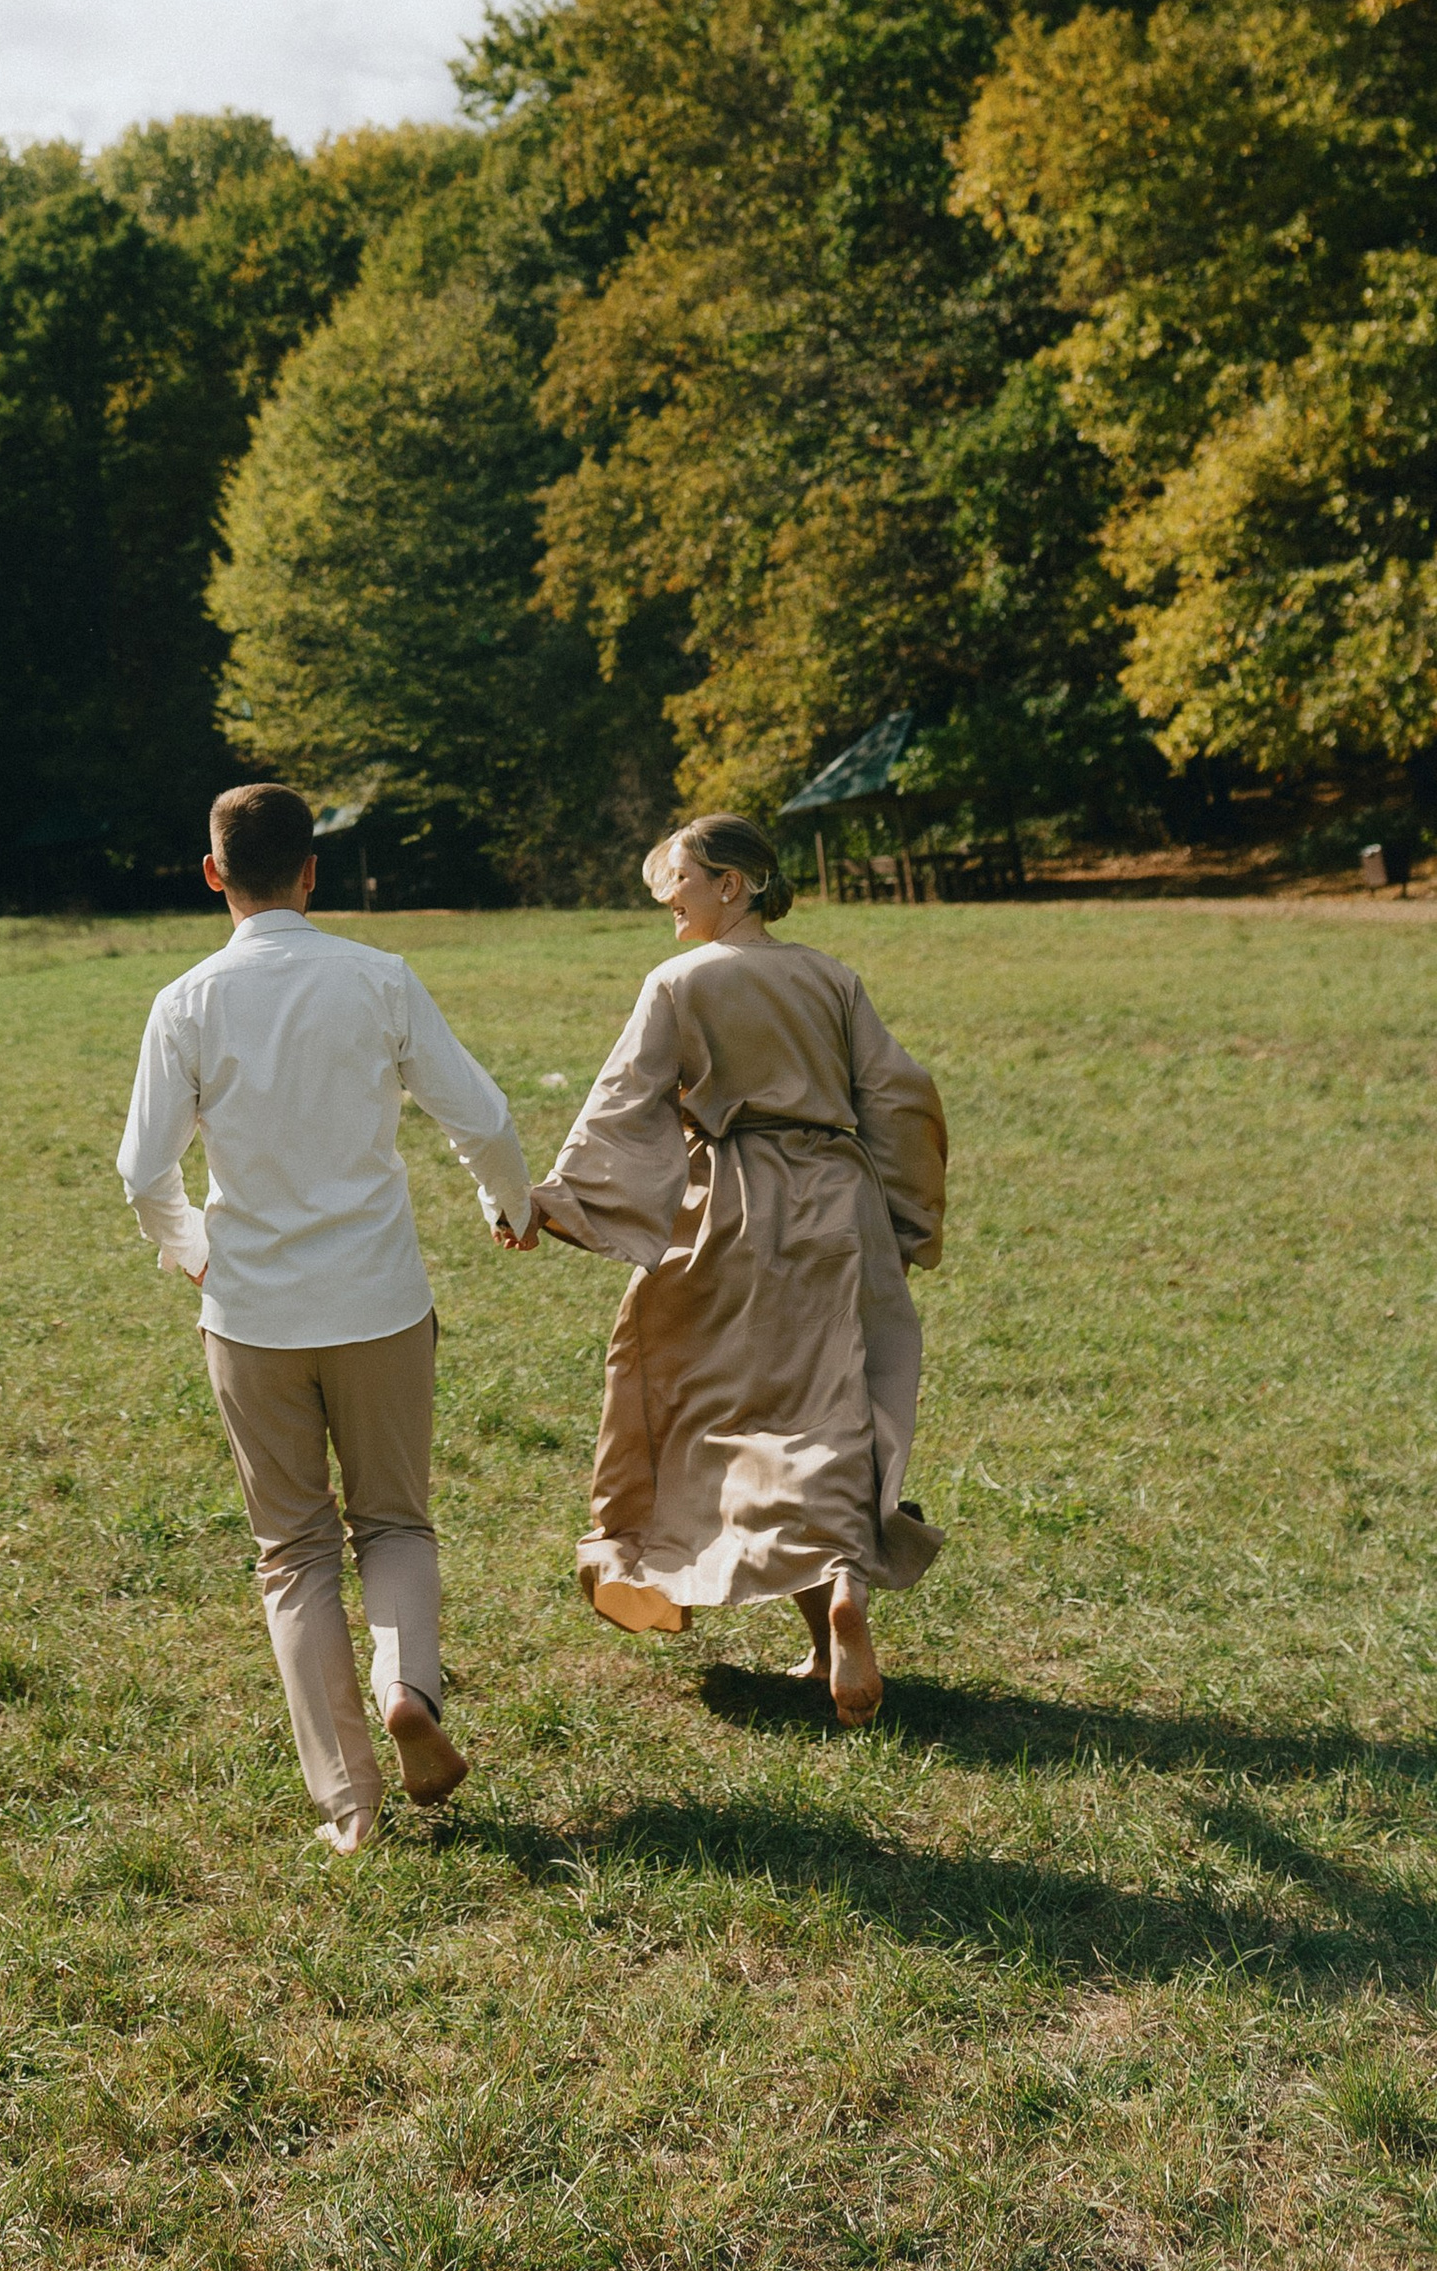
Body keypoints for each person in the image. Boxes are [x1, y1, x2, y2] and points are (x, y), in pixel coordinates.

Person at [117, 781, 534, 1849]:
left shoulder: (185, 1002)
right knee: (393, 1522)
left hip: (250, 1314)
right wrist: (509, 1204)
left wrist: (191, 1252)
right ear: (313, 870)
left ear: (212, 875)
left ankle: (350, 1805)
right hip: (380, 1302)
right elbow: (482, 1117)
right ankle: (408, 1691)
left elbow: (143, 1169)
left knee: (292, 1552)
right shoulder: (379, 978)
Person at [502, 812, 946, 1723]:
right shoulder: (831, 976)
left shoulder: (679, 982)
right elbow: (897, 1095)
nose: (669, 901)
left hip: (731, 1210)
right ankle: (839, 1597)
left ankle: (813, 1618)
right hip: (839, 1202)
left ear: (730, 884)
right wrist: (904, 1216)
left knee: (718, 1412)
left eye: (680, 882)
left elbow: (622, 1100)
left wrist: (557, 1201)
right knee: (828, 1412)